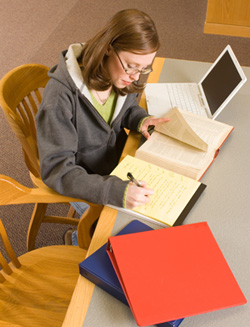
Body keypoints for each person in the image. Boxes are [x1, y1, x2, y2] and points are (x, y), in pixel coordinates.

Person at [36, 9, 169, 244]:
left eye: (143, 69)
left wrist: (140, 119)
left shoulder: (117, 73)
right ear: (109, 48)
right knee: (115, 234)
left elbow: (125, 109)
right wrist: (115, 191)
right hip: (79, 176)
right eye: (131, 66)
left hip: (114, 166)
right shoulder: (60, 99)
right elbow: (58, 171)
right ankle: (77, 239)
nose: (136, 77)